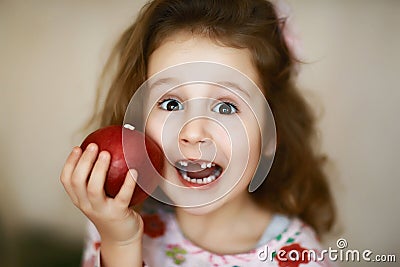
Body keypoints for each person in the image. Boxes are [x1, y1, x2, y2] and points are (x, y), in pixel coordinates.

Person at [60, 0, 336, 266]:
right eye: (171, 104)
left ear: (270, 134)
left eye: (226, 107)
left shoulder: (299, 256)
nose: (193, 132)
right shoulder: (115, 225)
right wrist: (120, 245)